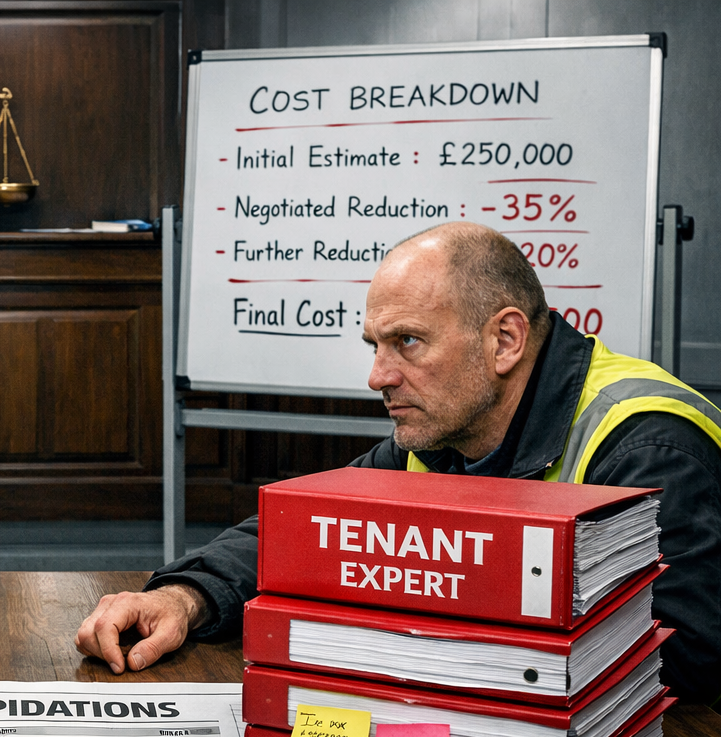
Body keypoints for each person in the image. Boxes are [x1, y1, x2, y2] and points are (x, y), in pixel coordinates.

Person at [76, 221, 721, 704]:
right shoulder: (449, 427)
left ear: (504, 339)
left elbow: (685, 663)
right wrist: (187, 598)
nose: (378, 375)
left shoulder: (644, 445)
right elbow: (305, 528)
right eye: (376, 345)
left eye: (408, 342)